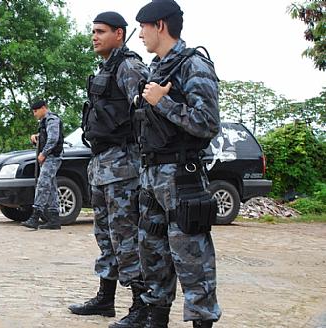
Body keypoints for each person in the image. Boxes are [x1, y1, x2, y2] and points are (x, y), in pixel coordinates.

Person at [134, 1, 222, 327]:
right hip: (152, 177)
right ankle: (156, 319)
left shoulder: (193, 65)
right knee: (153, 257)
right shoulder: (156, 69)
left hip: (181, 179)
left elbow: (207, 123)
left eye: (142, 27)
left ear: (159, 25)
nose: (140, 34)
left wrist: (164, 102)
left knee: (193, 260)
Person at [68, 12, 150, 328]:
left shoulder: (129, 66)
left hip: (124, 167)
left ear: (119, 34)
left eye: (101, 31)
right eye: (93, 31)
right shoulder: (107, 67)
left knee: (126, 238)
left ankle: (140, 308)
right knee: (105, 236)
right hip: (102, 164)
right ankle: (105, 299)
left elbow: (145, 112)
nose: (94, 36)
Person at [21, 100, 64, 230]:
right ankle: (54, 219)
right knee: (50, 187)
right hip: (49, 157)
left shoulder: (52, 119)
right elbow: (47, 136)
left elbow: (53, 139)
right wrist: (36, 136)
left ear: (43, 108)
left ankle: (35, 216)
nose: (34, 114)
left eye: (36, 111)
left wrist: (43, 153)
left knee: (43, 184)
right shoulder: (45, 121)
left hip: (52, 157)